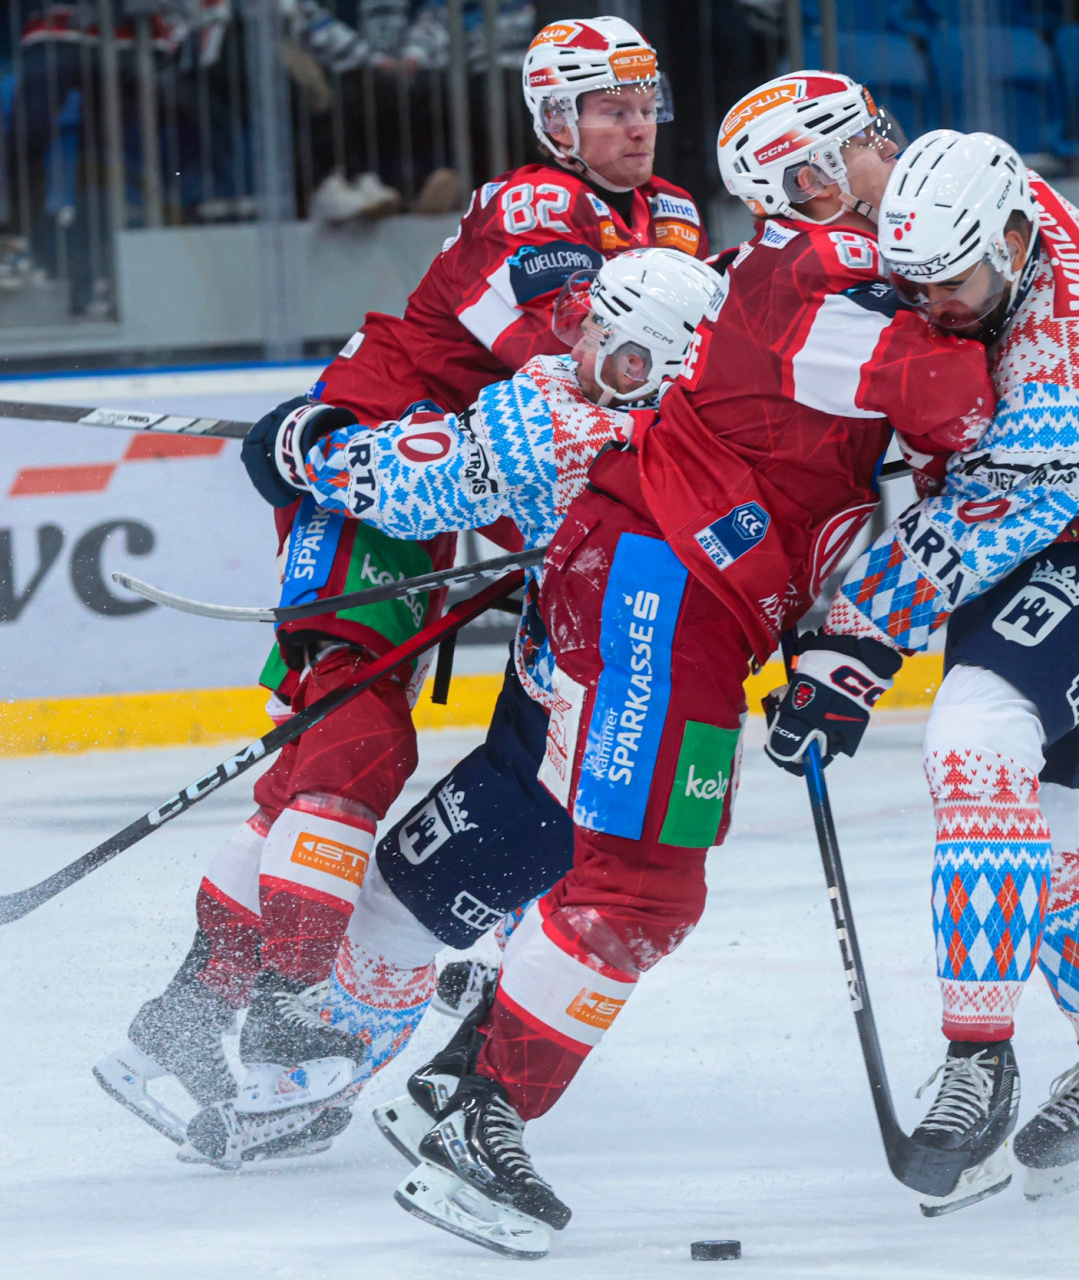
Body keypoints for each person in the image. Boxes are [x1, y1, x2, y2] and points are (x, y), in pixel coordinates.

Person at [380, 72, 996, 1259]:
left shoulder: (825, 276)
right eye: (866, 142)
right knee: (643, 885)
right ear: (810, 181)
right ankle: (480, 1120)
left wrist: (842, 631)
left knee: (635, 873)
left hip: (681, 590)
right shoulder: (821, 291)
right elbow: (965, 403)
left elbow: (842, 476)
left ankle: (455, 1083)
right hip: (662, 590)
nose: (890, 152)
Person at [93, 16, 710, 1168]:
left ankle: (178, 1022)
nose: (634, 124)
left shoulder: (667, 218)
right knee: (352, 746)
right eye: (606, 107)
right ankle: (283, 1007)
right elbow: (578, 367)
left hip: (457, 492)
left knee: (318, 769)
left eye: (644, 102)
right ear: (556, 121)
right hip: (373, 469)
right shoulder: (537, 213)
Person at [166, 249, 719, 1172]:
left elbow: (416, 480)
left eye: (612, 343)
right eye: (589, 322)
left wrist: (308, 445)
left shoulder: (557, 422)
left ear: (652, 366)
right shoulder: (736, 423)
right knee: (585, 916)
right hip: (673, 725)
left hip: (567, 736)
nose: (579, 341)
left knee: (403, 910)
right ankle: (449, 1078)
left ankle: (377, 1090)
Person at [764, 129, 1079, 1213]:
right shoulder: (967, 208)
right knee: (1046, 817)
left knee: (974, 741)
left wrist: (848, 653)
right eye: (916, 281)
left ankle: (979, 1062)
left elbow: (979, 524)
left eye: (955, 284)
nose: (935, 307)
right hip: (1031, 516)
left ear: (1016, 241)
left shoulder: (1072, 363)